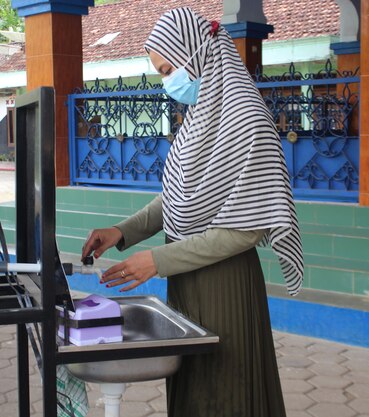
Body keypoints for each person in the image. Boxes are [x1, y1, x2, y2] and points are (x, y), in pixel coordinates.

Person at [81, 7, 303, 417]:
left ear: (199, 56)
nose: (169, 83)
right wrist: (121, 231)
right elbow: (179, 197)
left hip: (224, 283)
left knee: (225, 391)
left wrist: (157, 260)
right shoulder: (199, 119)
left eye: (169, 70)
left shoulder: (248, 119)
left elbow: (245, 231)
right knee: (193, 392)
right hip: (185, 279)